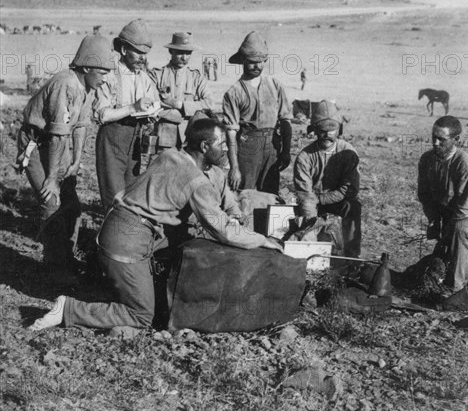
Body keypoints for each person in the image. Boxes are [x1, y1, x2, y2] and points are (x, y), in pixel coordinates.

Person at [29, 118, 283, 332]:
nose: (228, 150)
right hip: (128, 239)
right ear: (205, 146)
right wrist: (262, 240)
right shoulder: (195, 180)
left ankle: (120, 278)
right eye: (222, 145)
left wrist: (235, 213)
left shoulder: (172, 156)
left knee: (186, 239)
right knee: (143, 314)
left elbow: (224, 195)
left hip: (123, 228)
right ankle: (70, 309)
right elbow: (223, 229)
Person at [16, 35, 114, 272]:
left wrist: (77, 161)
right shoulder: (65, 84)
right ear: (87, 67)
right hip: (38, 144)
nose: (104, 78)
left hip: (55, 145)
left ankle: (66, 257)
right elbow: (58, 134)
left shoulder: (88, 87)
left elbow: (80, 125)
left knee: (71, 205)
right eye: (102, 72)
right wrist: (51, 178)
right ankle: (53, 266)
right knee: (52, 202)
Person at [417, 116, 468, 292]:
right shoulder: (426, 160)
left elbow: (465, 210)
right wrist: (433, 220)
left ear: (456, 140)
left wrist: (447, 234)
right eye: (433, 137)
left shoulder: (465, 164)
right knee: (437, 266)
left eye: (442, 139)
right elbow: (424, 195)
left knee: (460, 231)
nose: (436, 143)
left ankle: (455, 289)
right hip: (451, 216)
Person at [94, 19, 160, 211]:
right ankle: (108, 239)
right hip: (112, 139)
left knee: (133, 194)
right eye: (138, 53)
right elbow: (102, 115)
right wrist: (133, 108)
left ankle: (126, 237)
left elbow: (154, 103)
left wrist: (153, 113)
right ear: (123, 50)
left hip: (137, 140)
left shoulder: (144, 77)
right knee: (114, 196)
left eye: (145, 54)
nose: (142, 58)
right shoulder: (108, 75)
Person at [222, 31, 292, 194]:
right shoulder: (234, 92)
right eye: (252, 62)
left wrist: (286, 151)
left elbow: (286, 120)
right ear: (242, 60)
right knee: (244, 193)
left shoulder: (274, 84)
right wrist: (234, 167)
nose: (257, 66)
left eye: (261, 62)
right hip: (247, 145)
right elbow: (231, 133)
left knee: (270, 194)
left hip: (273, 145)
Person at [293, 100, 361, 257]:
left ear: (339, 130)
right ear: (314, 130)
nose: (327, 135)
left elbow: (349, 191)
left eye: (332, 130)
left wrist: (320, 199)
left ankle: (351, 257)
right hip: (310, 203)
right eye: (322, 130)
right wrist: (312, 225)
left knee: (353, 206)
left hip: (337, 201)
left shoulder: (348, 152)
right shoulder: (305, 157)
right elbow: (304, 194)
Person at [150, 32, 213, 151]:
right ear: (171, 51)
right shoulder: (156, 75)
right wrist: (179, 113)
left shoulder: (197, 78)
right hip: (164, 136)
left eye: (188, 53)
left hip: (190, 138)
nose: (184, 57)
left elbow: (209, 103)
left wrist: (181, 105)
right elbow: (153, 104)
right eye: (180, 52)